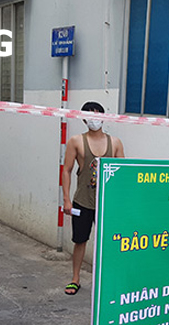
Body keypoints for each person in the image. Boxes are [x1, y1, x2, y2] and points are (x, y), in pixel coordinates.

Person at [62, 101, 125, 295]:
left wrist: (121, 202)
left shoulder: (114, 142)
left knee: (110, 241)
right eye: (89, 114)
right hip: (83, 201)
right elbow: (67, 170)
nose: (94, 117)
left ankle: (111, 279)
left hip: (107, 203)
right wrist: (66, 199)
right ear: (83, 118)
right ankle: (75, 278)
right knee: (80, 240)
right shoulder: (76, 141)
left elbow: (123, 173)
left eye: (98, 113)